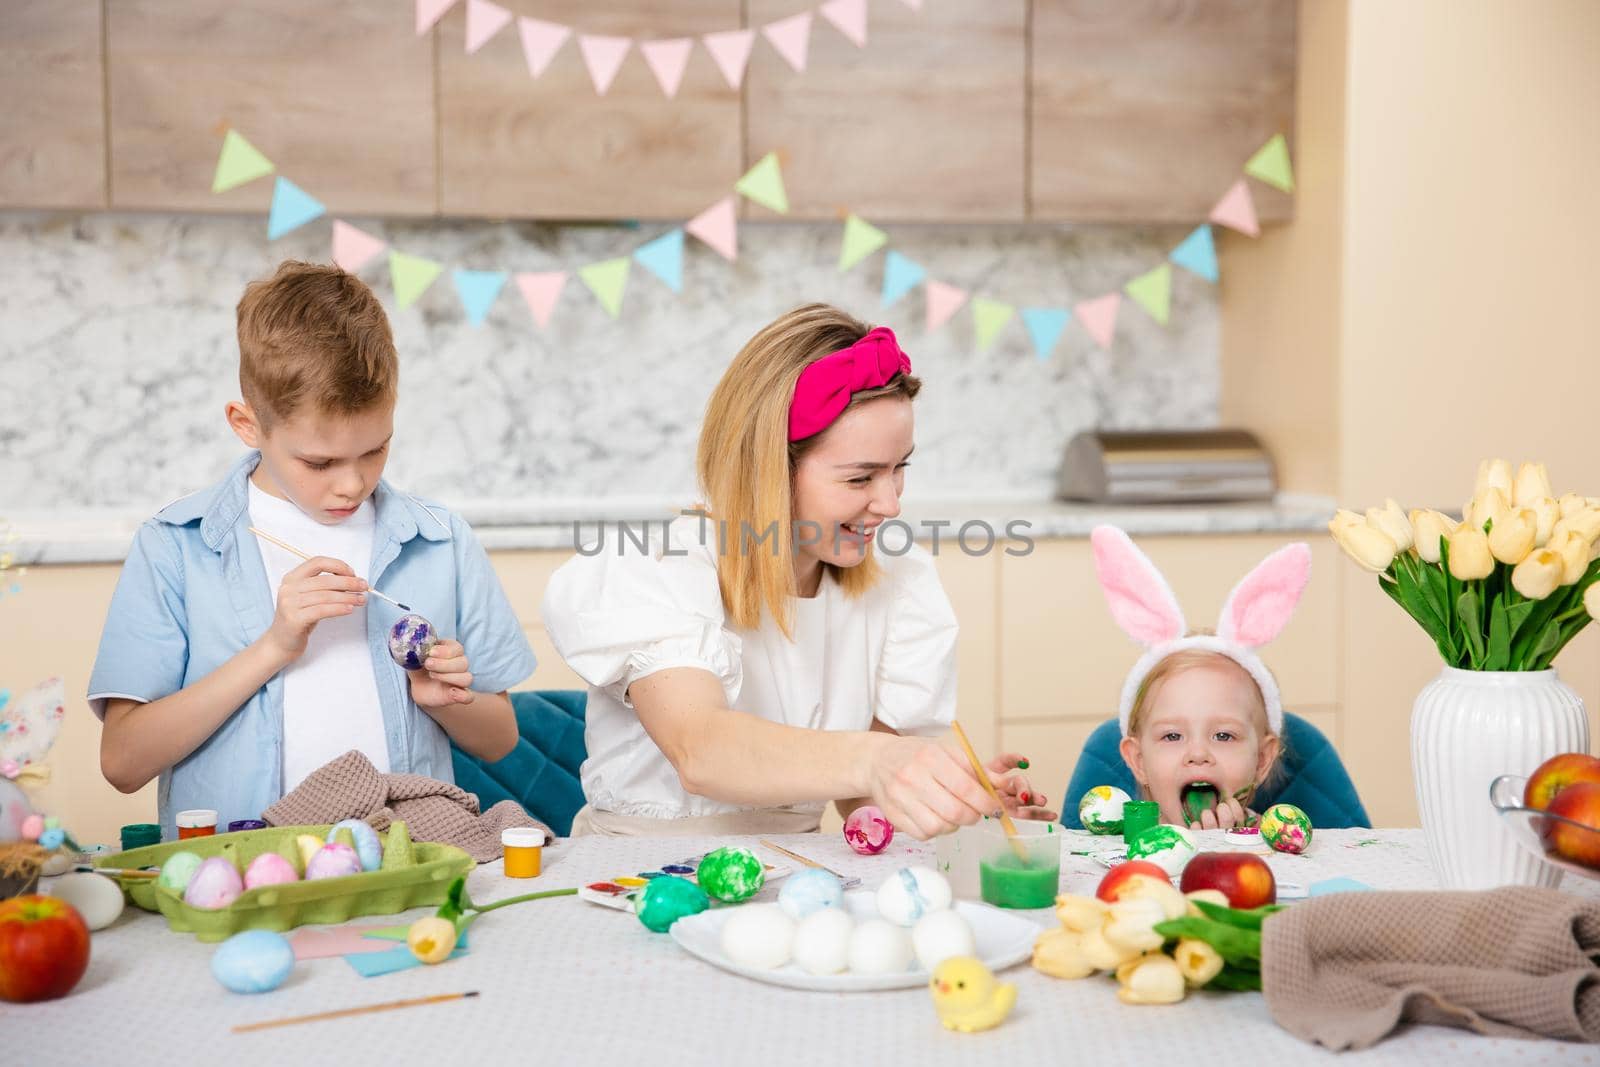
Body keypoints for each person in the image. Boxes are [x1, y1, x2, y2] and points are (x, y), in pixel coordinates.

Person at [542, 304, 1053, 838]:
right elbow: (701, 751)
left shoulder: (900, 583)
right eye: (860, 479)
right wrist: (881, 759)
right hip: (638, 875)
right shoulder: (655, 569)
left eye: (900, 468)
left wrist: (945, 800)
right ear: (769, 471)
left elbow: (861, 800)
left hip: (798, 874)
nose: (890, 504)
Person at [89, 261, 536, 836]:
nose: (351, 484)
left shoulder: (441, 541)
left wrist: (445, 698)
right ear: (247, 425)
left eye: (375, 450)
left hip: (404, 865)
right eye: (319, 462)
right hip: (245, 878)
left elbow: (501, 741)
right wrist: (274, 646)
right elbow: (123, 763)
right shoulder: (175, 547)